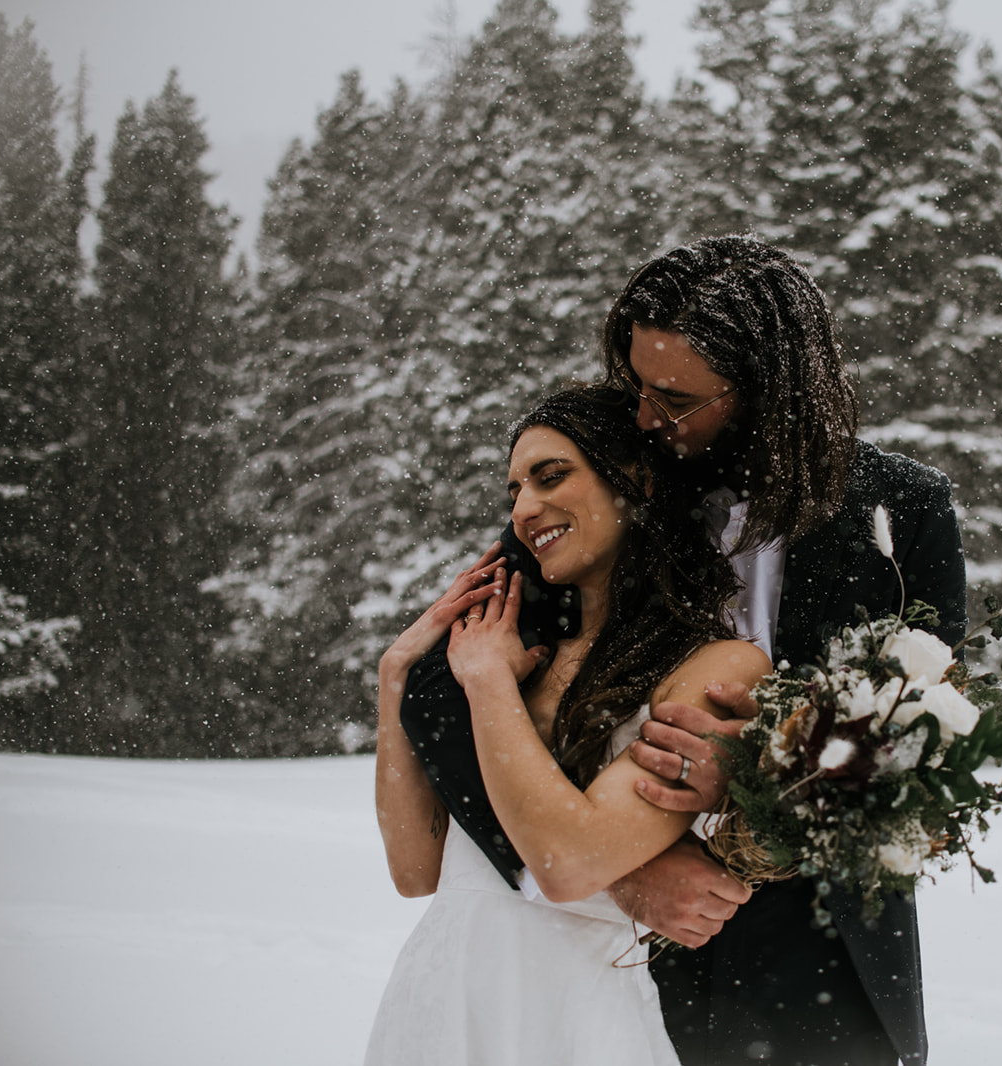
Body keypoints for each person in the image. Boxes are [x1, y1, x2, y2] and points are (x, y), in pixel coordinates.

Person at [402, 235, 968, 1065]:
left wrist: (771, 766)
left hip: (823, 955)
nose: (641, 417)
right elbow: (444, 694)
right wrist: (617, 876)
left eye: (671, 398)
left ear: (771, 393)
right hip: (617, 956)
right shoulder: (619, 482)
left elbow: (924, 741)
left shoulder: (904, 513)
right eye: (634, 384)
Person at [365, 385, 771, 1066]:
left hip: (574, 1016)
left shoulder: (714, 663)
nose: (525, 508)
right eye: (515, 489)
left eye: (551, 476)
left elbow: (568, 864)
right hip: (438, 1002)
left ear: (636, 480)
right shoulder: (508, 647)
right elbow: (414, 870)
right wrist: (397, 674)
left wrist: (489, 683)